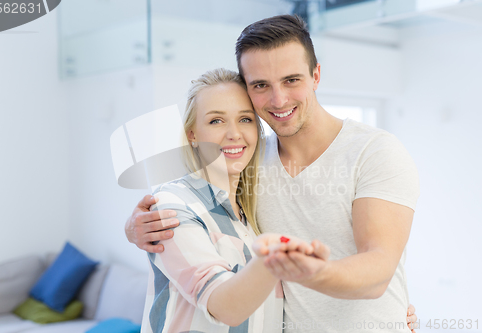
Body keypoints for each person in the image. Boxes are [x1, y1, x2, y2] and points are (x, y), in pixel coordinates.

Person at [129, 15, 420, 332]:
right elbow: (190, 205)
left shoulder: (374, 152)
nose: (278, 99)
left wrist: (306, 270)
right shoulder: (247, 159)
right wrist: (134, 228)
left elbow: (378, 267)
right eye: (261, 85)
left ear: (316, 75)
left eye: (291, 80)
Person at [141, 68, 326, 333]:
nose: (234, 134)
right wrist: (274, 259)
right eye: (216, 121)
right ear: (192, 134)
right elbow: (224, 307)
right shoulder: (172, 205)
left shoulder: (252, 216)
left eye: (245, 119)